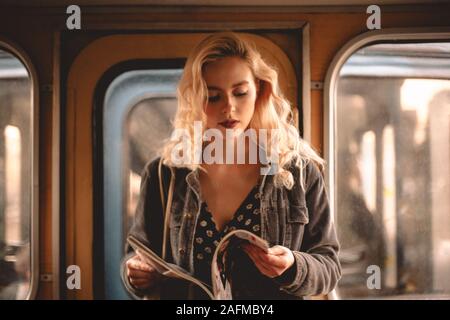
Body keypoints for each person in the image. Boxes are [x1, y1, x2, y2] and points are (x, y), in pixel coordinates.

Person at [121, 31, 341, 299]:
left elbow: (329, 265)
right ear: (194, 99)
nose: (229, 107)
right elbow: (138, 255)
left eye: (240, 93)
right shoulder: (165, 173)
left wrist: (295, 266)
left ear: (260, 89)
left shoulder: (298, 171)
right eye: (213, 97)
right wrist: (135, 274)